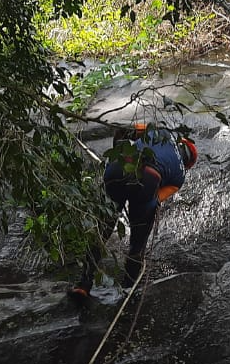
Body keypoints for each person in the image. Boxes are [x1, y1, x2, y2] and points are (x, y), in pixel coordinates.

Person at [67, 124, 198, 304]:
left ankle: (83, 285)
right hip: (149, 179)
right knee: (137, 245)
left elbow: (121, 131)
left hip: (117, 167)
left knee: (101, 231)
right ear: (187, 163)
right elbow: (156, 200)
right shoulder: (180, 176)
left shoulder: (161, 132)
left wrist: (117, 152)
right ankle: (126, 293)